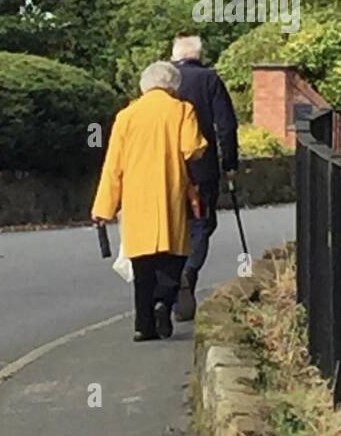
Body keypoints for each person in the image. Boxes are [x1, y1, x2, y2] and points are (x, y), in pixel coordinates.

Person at [91, 60, 207, 341]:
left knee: (142, 265)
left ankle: (143, 325)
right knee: (173, 257)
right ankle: (163, 303)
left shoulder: (126, 116)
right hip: (170, 192)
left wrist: (103, 207)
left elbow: (113, 166)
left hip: (136, 197)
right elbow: (192, 148)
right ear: (173, 85)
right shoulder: (182, 110)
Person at [170, 34, 239, 321]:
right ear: (199, 55)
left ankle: (174, 284)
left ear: (175, 56)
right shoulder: (210, 79)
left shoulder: (165, 83)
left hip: (170, 166)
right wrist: (230, 162)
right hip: (202, 166)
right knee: (202, 223)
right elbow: (226, 124)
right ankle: (189, 271)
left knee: (175, 225)